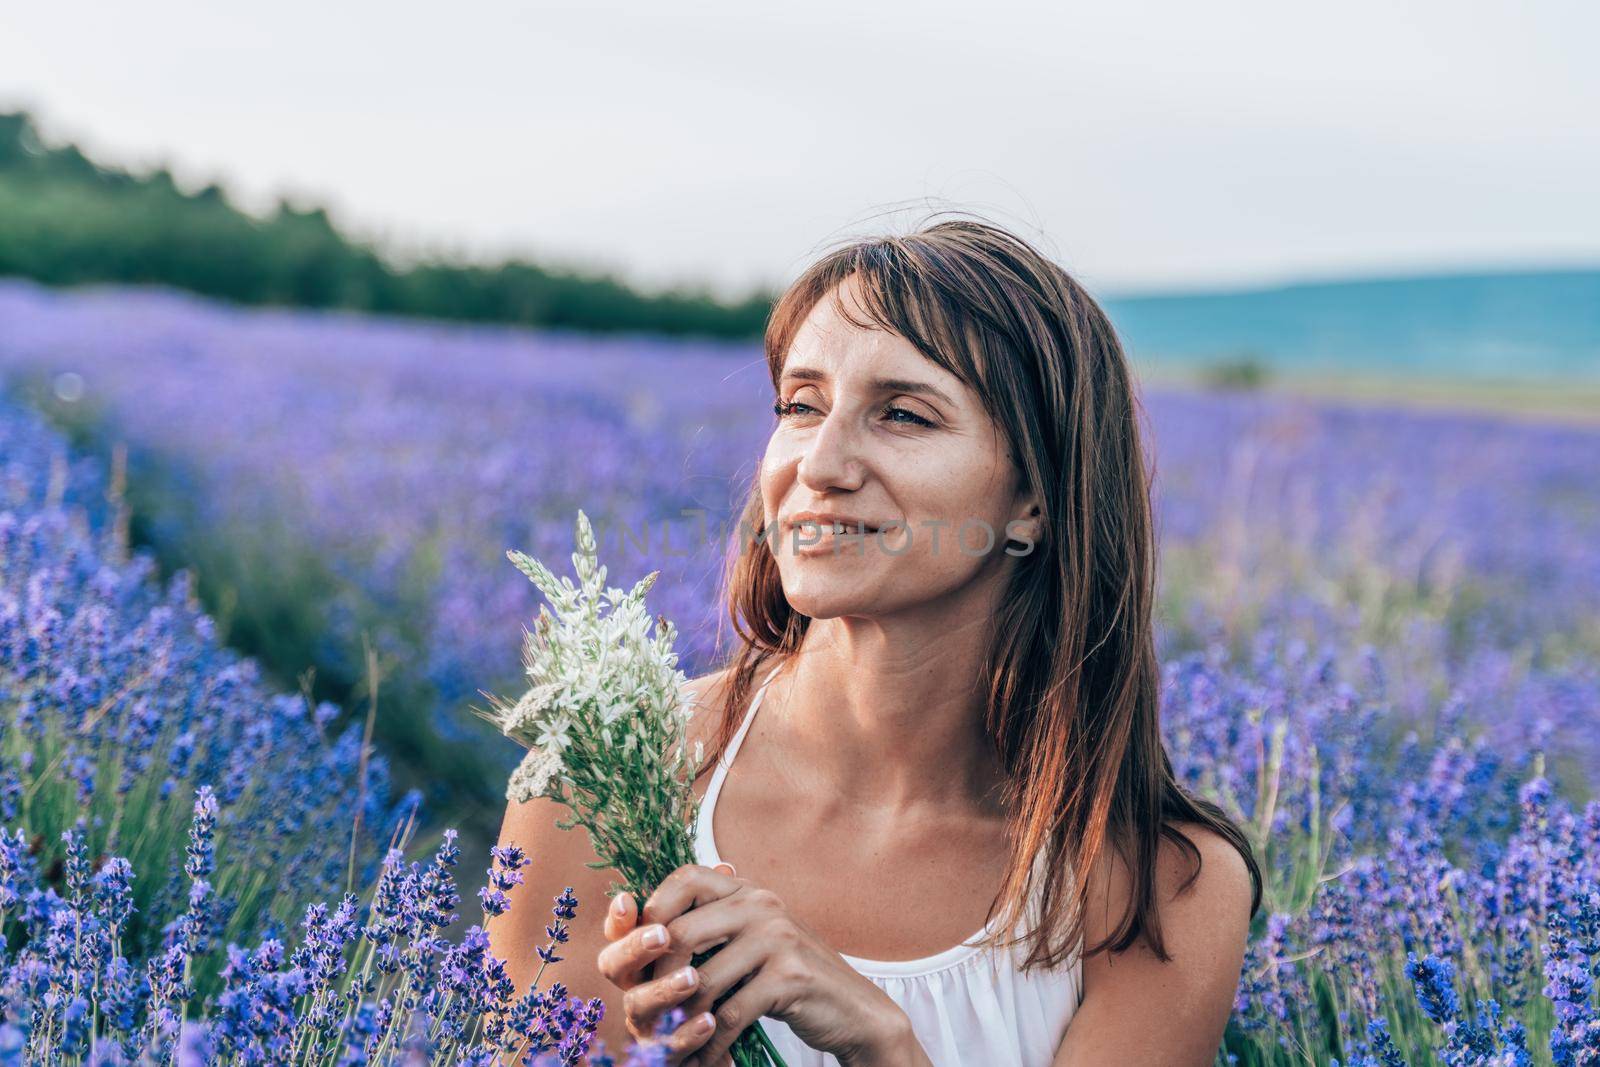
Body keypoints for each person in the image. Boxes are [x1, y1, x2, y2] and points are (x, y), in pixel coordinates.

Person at [488, 215, 1263, 1066]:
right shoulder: (610, 777)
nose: (819, 463)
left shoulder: (1158, 885)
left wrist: (884, 1044)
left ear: (1033, 500)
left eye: (901, 414)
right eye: (801, 405)